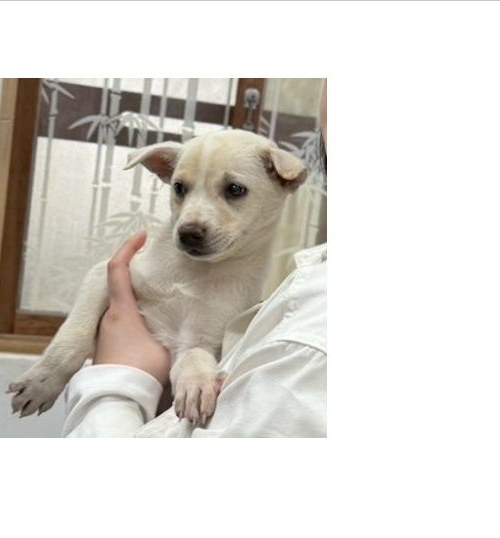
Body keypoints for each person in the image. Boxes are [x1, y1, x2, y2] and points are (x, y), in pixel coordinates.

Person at [63, 81, 327, 437]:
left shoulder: (311, 339)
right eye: (181, 189)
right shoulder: (305, 284)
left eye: (234, 190)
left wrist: (115, 377)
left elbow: (195, 348)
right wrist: (68, 355)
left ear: (284, 181)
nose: (191, 222)